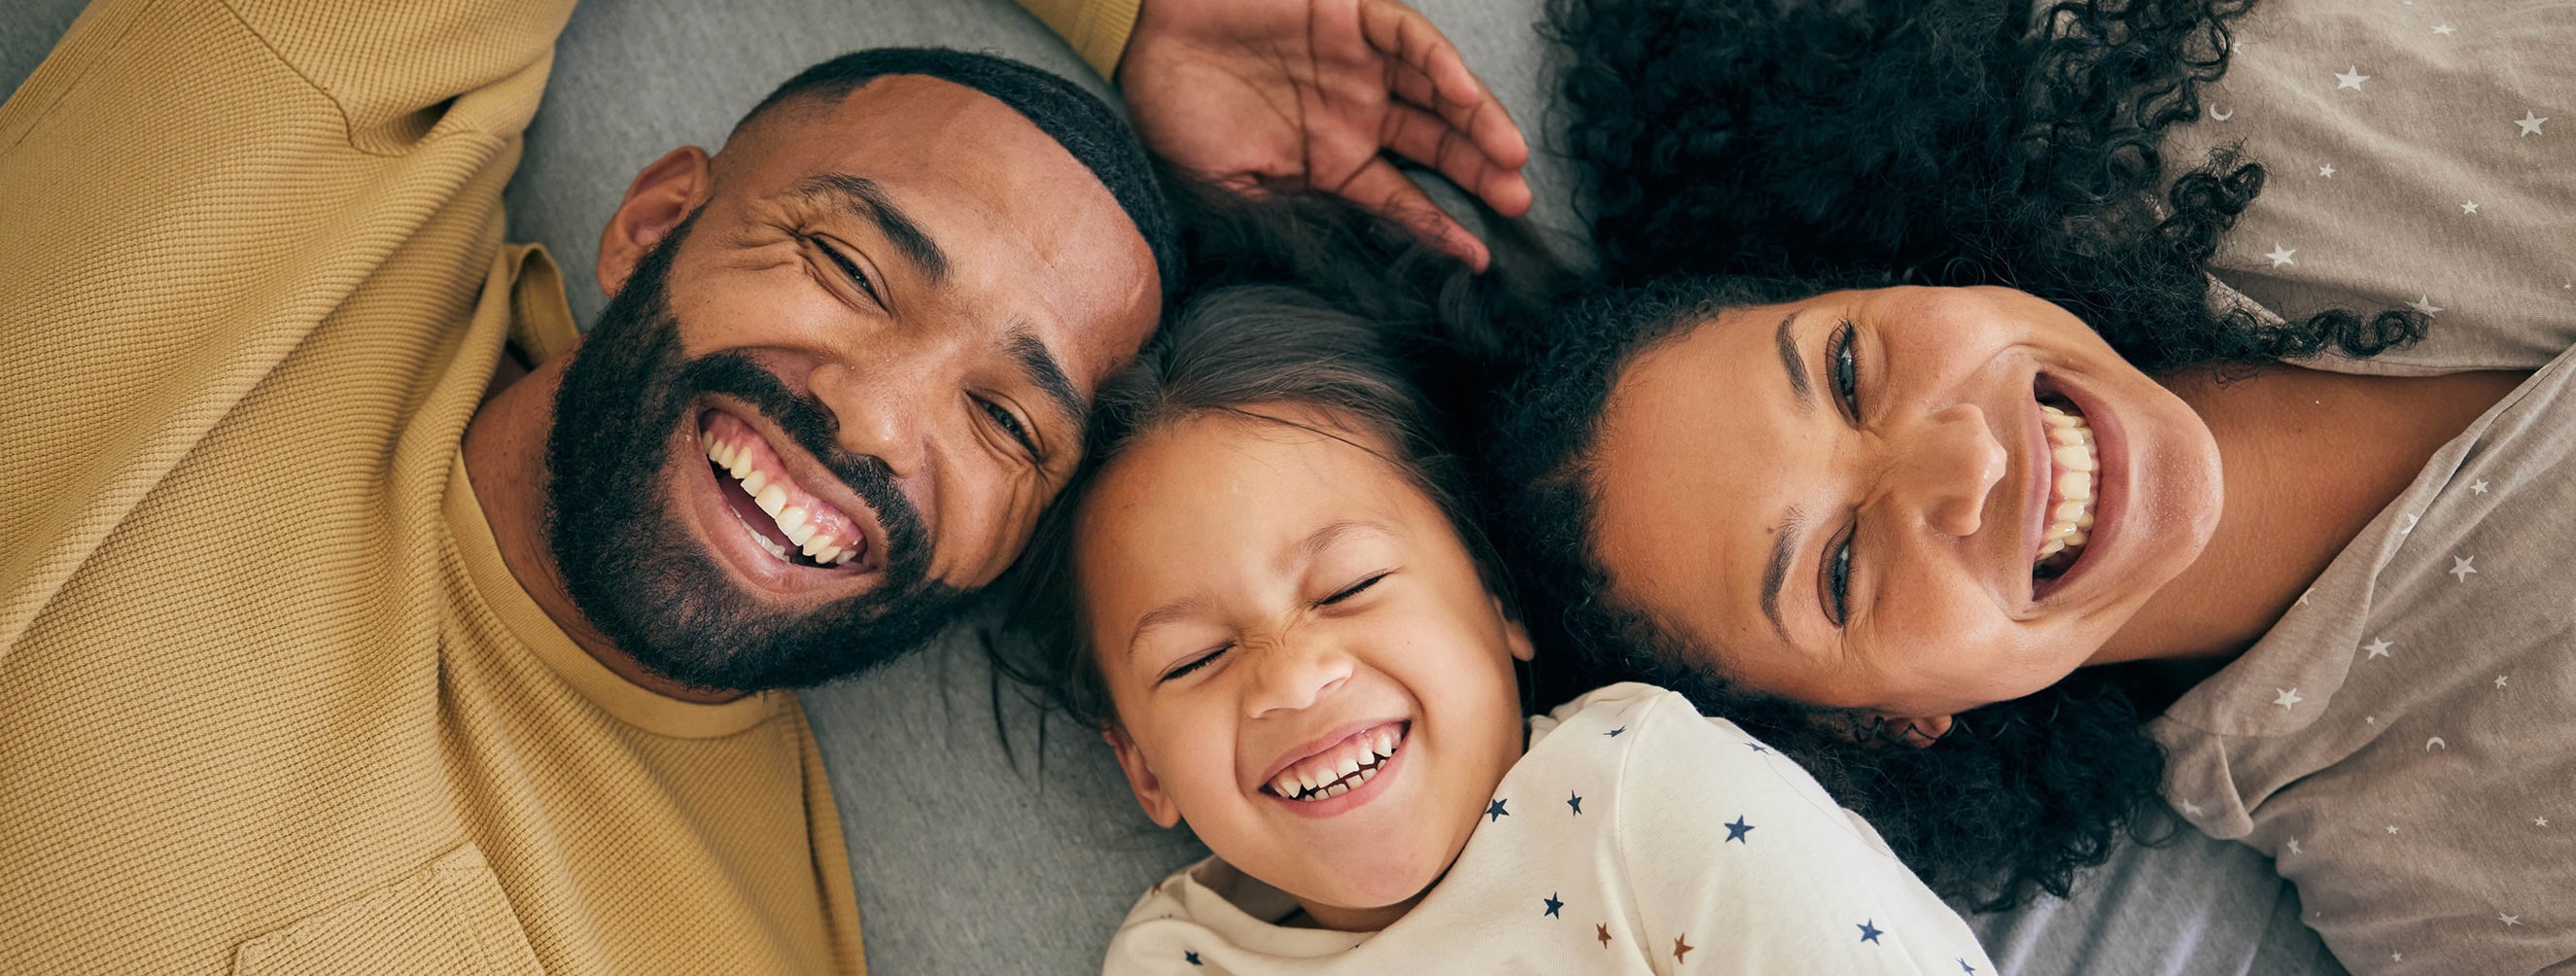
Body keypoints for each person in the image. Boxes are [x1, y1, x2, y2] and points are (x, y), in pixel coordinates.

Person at [0, 0, 1531, 971]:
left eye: (1005, 424)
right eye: (850, 265)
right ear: (656, 216)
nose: (872, 420)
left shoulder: (751, 940)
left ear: (1015, 550)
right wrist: (1132, 19)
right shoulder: (292, 163)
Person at [1486, 0, 2573, 972]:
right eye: (1841, 568)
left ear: (1882, 277)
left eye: (1849, 371)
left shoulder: (2200, 66)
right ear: (1887, 724)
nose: (1969, 461)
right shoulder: (2454, 891)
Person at [1000, 268, 1996, 972]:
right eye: (1197, 658)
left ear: (1496, 596)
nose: (1291, 677)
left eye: (1348, 585)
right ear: (1141, 766)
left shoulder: (1643, 794)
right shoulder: (1177, 958)